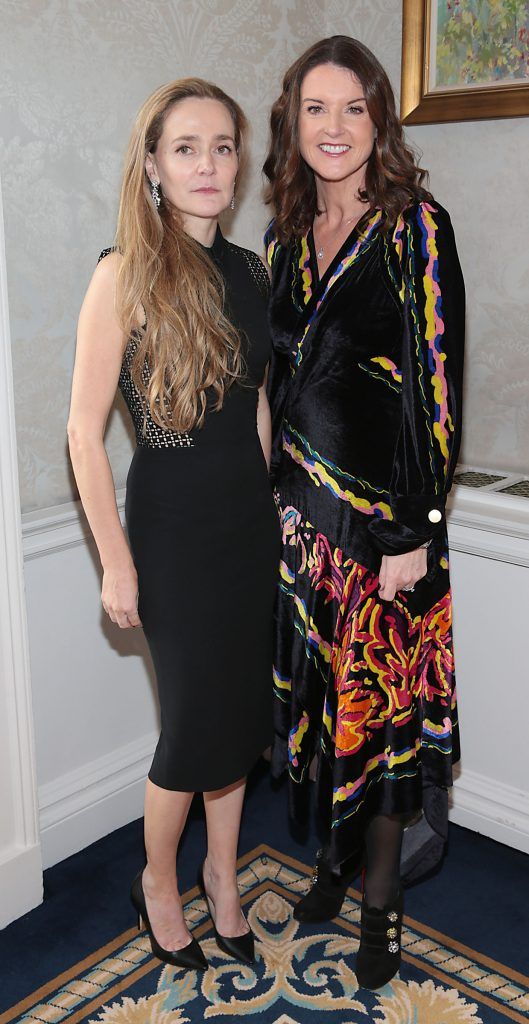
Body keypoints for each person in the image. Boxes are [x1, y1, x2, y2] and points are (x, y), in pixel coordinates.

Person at [263, 36, 465, 990]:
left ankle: (379, 906)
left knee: (380, 724)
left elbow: (436, 393)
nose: (333, 127)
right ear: (292, 122)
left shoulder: (417, 226)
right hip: (304, 530)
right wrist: (273, 507)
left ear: (379, 118)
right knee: (320, 711)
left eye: (353, 108)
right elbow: (277, 384)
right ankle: (331, 864)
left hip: (385, 539)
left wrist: (409, 538)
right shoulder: (283, 241)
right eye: (315, 108)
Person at [68, 78, 278, 971]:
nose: (207, 164)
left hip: (244, 528)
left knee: (236, 724)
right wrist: (115, 563)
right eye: (186, 147)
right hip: (169, 534)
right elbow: (83, 430)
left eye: (223, 146)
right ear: (153, 165)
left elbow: (258, 405)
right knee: (192, 730)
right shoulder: (123, 273)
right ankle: (160, 881)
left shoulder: (252, 271)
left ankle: (223, 879)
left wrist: (266, 509)